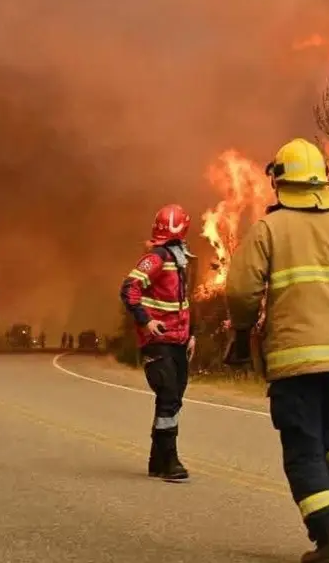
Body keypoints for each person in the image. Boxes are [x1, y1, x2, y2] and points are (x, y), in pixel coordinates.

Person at [224, 138, 329, 563]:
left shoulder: (269, 229)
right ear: (321, 181)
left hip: (293, 359)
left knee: (302, 446)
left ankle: (327, 541)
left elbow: (241, 290)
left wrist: (244, 327)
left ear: (280, 181)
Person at [120, 203, 197, 482]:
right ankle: (171, 461)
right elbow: (129, 288)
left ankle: (157, 460)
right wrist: (146, 321)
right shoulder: (155, 258)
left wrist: (192, 334)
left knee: (173, 401)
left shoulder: (179, 259)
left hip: (178, 340)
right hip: (158, 340)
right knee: (168, 397)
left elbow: (184, 302)